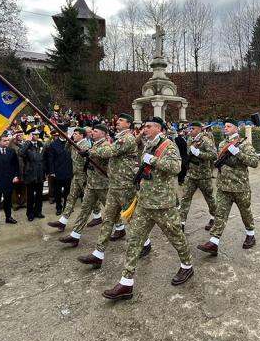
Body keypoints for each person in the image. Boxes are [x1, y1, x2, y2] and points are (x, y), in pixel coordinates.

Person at [103, 117, 193, 301]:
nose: (144, 129)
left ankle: (187, 266)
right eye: (144, 126)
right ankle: (126, 283)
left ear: (159, 128)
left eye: (148, 126)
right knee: (135, 240)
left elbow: (176, 167)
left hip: (162, 204)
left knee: (176, 237)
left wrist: (154, 160)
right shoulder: (149, 145)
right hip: (144, 202)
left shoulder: (168, 145)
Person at [77, 113, 140, 269]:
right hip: (114, 184)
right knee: (108, 218)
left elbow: (109, 152)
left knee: (133, 218)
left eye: (121, 121)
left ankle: (145, 243)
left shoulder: (128, 139)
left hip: (125, 185)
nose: (117, 122)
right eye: (117, 120)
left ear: (129, 124)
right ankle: (98, 254)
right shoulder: (120, 138)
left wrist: (90, 152)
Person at [197, 118, 259, 256]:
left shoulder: (244, 144)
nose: (225, 128)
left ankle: (250, 234)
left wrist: (238, 153)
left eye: (229, 126)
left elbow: (254, 162)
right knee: (220, 214)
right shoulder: (222, 144)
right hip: (224, 187)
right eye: (225, 126)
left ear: (236, 128)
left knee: (245, 213)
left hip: (240, 187)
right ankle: (213, 242)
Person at [59, 125, 110, 246]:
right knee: (84, 209)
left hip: (102, 184)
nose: (92, 133)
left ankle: (120, 228)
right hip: (92, 183)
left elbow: (106, 154)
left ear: (103, 133)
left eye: (95, 131)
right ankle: (75, 235)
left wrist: (89, 152)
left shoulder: (105, 145)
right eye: (92, 131)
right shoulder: (95, 144)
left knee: (110, 209)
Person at [179, 122, 217, 231]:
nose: (190, 130)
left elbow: (214, 155)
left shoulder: (206, 140)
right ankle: (181, 222)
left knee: (209, 198)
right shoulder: (190, 139)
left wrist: (199, 154)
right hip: (191, 175)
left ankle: (214, 217)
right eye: (190, 128)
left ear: (200, 129)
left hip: (203, 176)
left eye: (193, 128)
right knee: (185, 198)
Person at [45, 129, 73, 216]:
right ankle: (58, 207)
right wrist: (52, 171)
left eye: (66, 132)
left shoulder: (70, 143)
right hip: (58, 172)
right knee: (57, 191)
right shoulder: (53, 144)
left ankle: (66, 207)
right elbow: (50, 159)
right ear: (59, 133)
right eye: (63, 132)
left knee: (67, 191)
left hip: (68, 170)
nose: (65, 134)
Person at [20, 129, 47, 221]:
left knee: (39, 195)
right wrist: (28, 141)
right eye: (35, 134)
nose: (37, 136)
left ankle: (38, 212)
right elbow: (21, 153)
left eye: (38, 134)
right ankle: (30, 214)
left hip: (40, 174)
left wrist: (45, 171)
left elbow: (44, 159)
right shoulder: (26, 145)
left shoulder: (41, 144)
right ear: (31, 135)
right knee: (30, 196)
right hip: (30, 174)